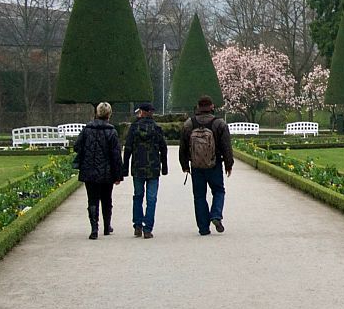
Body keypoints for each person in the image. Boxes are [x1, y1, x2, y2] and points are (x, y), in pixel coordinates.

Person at [179, 95, 233, 236]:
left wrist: (185, 165)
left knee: (199, 196)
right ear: (211, 107)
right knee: (219, 191)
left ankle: (203, 228)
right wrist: (229, 164)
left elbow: (183, 147)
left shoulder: (189, 124)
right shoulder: (219, 124)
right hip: (214, 164)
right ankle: (215, 215)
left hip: (196, 166)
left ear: (198, 107)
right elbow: (226, 146)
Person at [73, 101, 123, 239]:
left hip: (89, 170)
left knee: (92, 200)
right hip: (106, 172)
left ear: (97, 113)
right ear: (109, 115)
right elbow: (116, 155)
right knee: (107, 199)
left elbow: (77, 147)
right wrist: (118, 175)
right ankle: (107, 227)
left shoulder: (87, 129)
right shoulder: (111, 131)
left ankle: (94, 229)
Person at [122, 102, 168, 238]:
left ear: (142, 112)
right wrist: (164, 167)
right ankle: (147, 229)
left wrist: (125, 168)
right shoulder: (156, 128)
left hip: (138, 167)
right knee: (151, 199)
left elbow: (128, 148)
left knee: (138, 196)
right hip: (153, 168)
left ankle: (137, 225)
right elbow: (163, 149)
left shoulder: (134, 128)